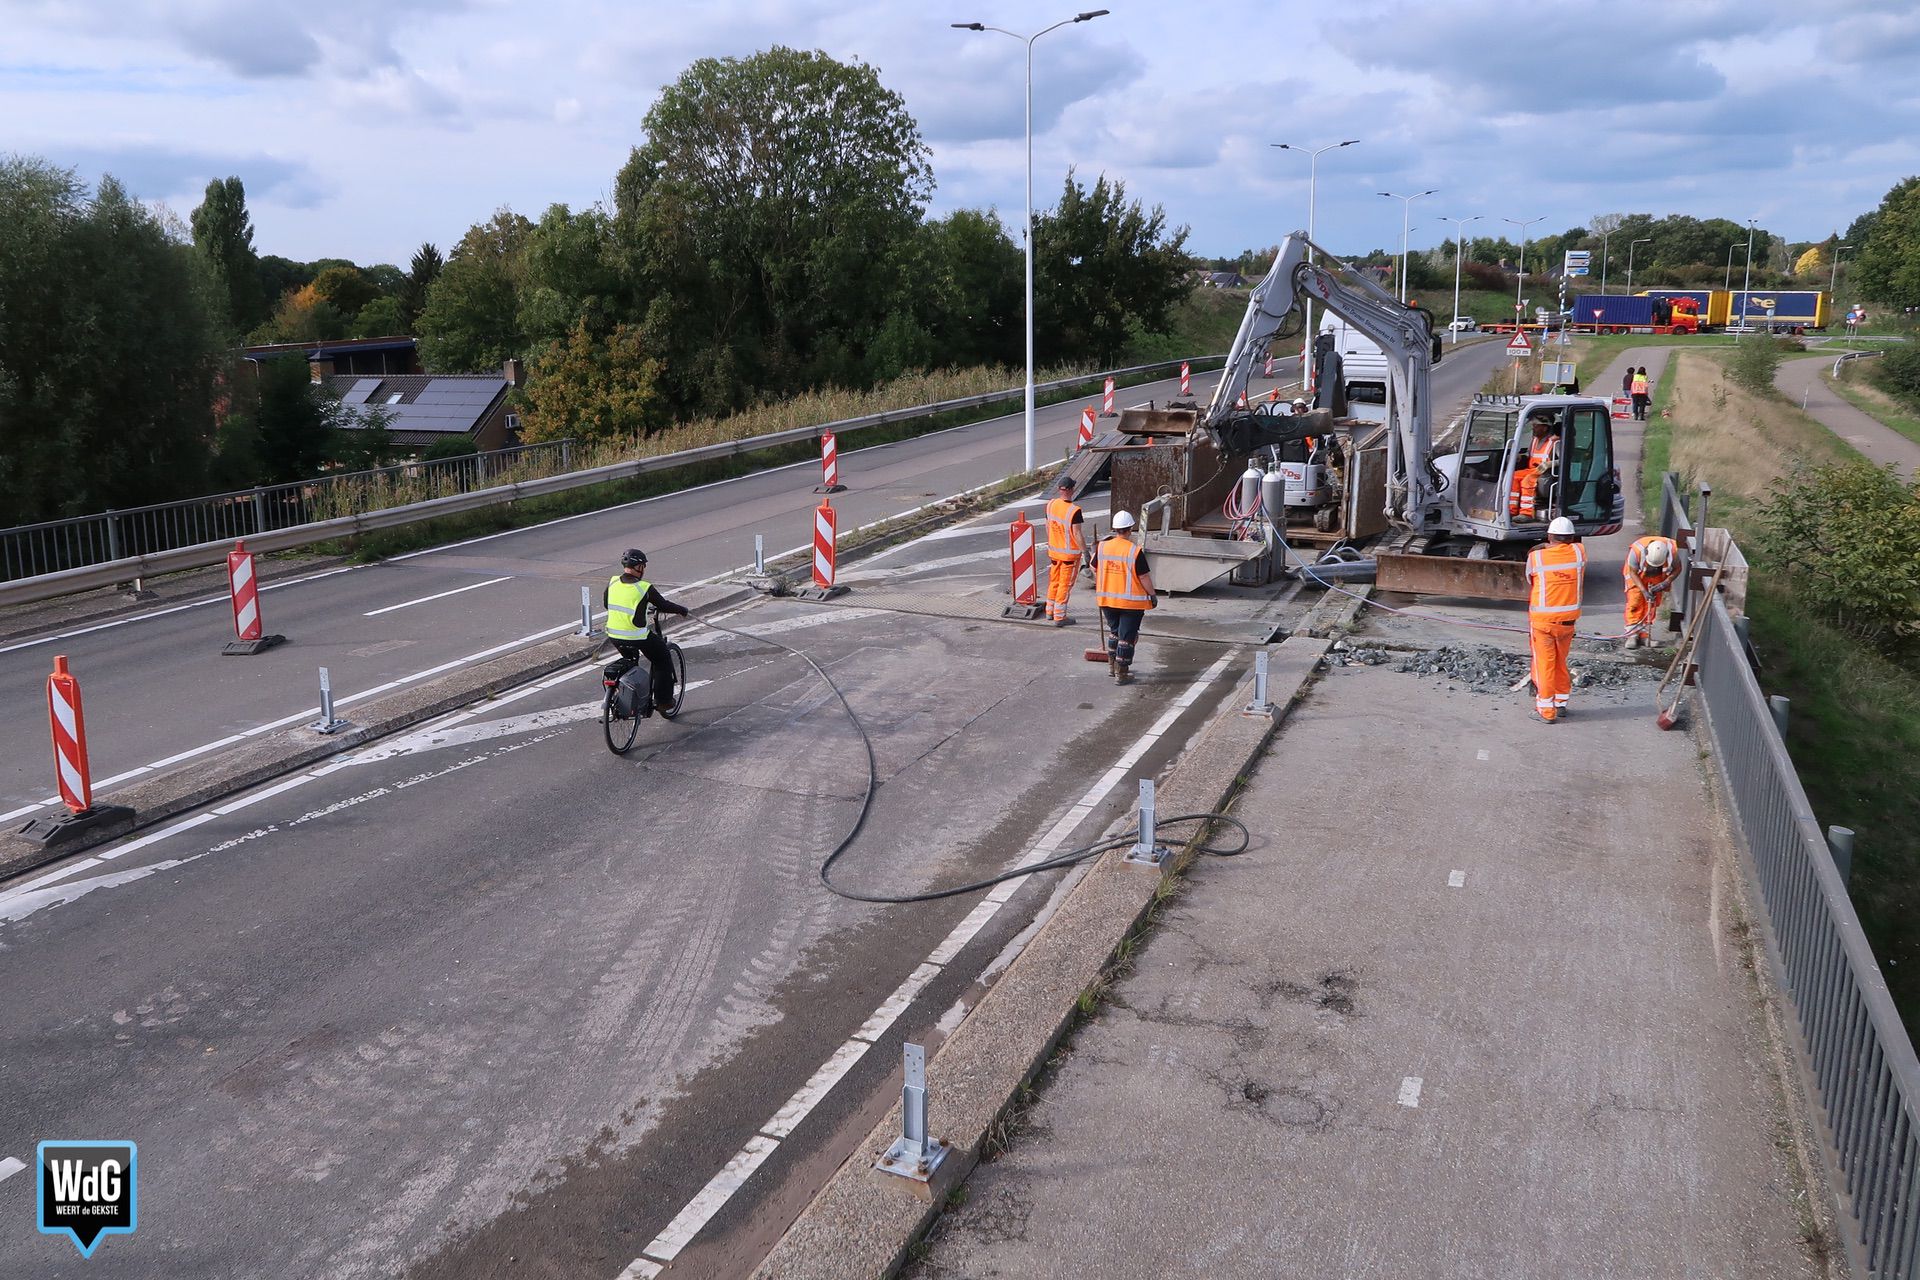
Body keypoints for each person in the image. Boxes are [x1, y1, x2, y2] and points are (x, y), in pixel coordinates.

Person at [603, 548, 690, 715]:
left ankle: (625, 697)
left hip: (613, 635)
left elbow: (608, 604)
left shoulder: (613, 582)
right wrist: (681, 610)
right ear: (640, 567)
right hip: (637, 636)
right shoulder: (644, 587)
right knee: (662, 658)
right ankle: (664, 702)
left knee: (629, 662)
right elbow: (663, 605)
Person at [1525, 516, 1586, 724]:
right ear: (1571, 537)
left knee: (1544, 665)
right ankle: (1560, 703)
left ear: (1549, 536)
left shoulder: (1536, 558)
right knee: (1560, 662)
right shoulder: (1579, 553)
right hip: (1567, 623)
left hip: (1543, 623)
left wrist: (1543, 545)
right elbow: (1569, 544)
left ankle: (1546, 710)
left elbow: (1529, 579)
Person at [1094, 510, 1157, 686]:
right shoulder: (1134, 551)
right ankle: (1121, 673)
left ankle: (1111, 666)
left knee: (1115, 632)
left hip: (1107, 601)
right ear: (1130, 529)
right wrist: (1152, 595)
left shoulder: (1102, 547)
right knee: (1127, 638)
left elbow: (1094, 568)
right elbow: (1144, 577)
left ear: (1115, 529)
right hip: (1131, 604)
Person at [1044, 477, 1088, 626]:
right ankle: (1060, 616)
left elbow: (1048, 526)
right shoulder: (1074, 510)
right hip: (1069, 556)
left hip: (1054, 553)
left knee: (1054, 581)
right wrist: (1086, 552)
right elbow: (1077, 534)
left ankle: (1049, 611)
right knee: (1065, 584)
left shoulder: (1051, 505)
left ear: (1059, 489)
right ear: (1071, 489)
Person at [1622, 534, 1678, 649]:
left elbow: (1678, 568)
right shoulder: (1636, 551)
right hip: (1637, 575)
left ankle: (1644, 635)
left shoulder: (1673, 551)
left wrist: (1666, 582)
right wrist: (1643, 590)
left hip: (1657, 576)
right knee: (1635, 603)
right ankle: (1632, 634)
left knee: (1651, 604)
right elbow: (1633, 572)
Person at [1509, 415, 1560, 521]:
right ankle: (1511, 510)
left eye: (1536, 426)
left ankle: (1527, 513)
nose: (1533, 428)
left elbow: (1564, 459)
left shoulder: (1555, 442)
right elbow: (1530, 454)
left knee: (1527, 481)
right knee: (1513, 476)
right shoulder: (1535, 440)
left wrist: (1549, 464)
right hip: (1532, 469)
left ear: (1545, 427)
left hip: (1544, 472)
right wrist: (1520, 457)